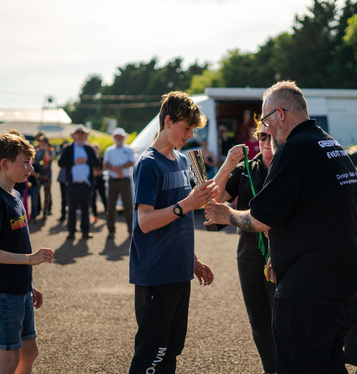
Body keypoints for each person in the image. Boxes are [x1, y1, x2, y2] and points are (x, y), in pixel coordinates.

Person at [205, 81, 357, 374]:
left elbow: (259, 219)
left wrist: (227, 214)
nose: (266, 130)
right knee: (330, 362)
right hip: (349, 282)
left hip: (313, 290)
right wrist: (279, 254)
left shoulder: (295, 149)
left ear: (281, 114)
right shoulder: (331, 145)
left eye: (267, 120)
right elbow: (312, 213)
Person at [129, 91, 217, 373]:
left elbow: (175, 224)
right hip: (155, 273)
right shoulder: (148, 164)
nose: (190, 134)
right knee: (151, 355)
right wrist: (187, 204)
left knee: (170, 351)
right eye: (186, 127)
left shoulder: (182, 160)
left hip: (178, 271)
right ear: (168, 121)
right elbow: (144, 221)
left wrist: (192, 260)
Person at [0, 132, 54, 373]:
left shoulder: (16, 194)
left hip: (19, 286)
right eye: (25, 162)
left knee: (30, 352)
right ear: (5, 164)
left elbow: (14, 244)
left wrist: (29, 283)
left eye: (31, 162)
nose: (30, 167)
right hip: (4, 291)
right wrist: (29, 260)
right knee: (9, 357)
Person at [213, 123, 277, 374]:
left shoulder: (288, 168)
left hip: (282, 255)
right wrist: (228, 163)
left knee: (282, 321)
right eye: (261, 135)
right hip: (249, 256)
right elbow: (214, 201)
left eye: (270, 135)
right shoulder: (246, 170)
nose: (265, 140)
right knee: (259, 323)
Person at [58, 125, 101, 240]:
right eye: (78, 134)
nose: (80, 136)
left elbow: (97, 162)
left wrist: (87, 160)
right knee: (71, 209)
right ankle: (71, 232)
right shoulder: (68, 149)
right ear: (74, 136)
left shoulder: (89, 149)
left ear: (85, 136)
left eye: (82, 134)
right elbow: (61, 163)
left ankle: (85, 232)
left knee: (86, 209)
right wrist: (74, 162)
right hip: (72, 184)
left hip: (86, 184)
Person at [103, 128, 134, 239]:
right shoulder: (109, 150)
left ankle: (131, 230)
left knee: (128, 206)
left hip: (124, 180)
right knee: (111, 206)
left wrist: (120, 168)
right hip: (113, 180)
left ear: (123, 137)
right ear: (114, 137)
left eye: (120, 136)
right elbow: (105, 164)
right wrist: (115, 169)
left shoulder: (129, 149)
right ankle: (111, 230)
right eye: (116, 136)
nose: (118, 138)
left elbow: (131, 162)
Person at [35, 136, 55, 216]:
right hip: (39, 175)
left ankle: (46, 210)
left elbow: (48, 158)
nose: (42, 144)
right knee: (37, 193)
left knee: (47, 193)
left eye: (44, 142)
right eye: (41, 142)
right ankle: (38, 209)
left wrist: (46, 149)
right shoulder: (37, 150)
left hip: (47, 175)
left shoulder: (50, 150)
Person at [90, 143, 107, 224]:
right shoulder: (90, 159)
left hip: (100, 180)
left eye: (95, 149)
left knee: (103, 196)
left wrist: (100, 171)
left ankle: (107, 212)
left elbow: (104, 166)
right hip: (92, 181)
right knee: (93, 198)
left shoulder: (101, 158)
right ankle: (95, 215)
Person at [56, 141, 70, 222]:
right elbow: (59, 163)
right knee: (63, 198)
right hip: (63, 178)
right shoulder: (62, 155)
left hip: (70, 179)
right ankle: (63, 214)